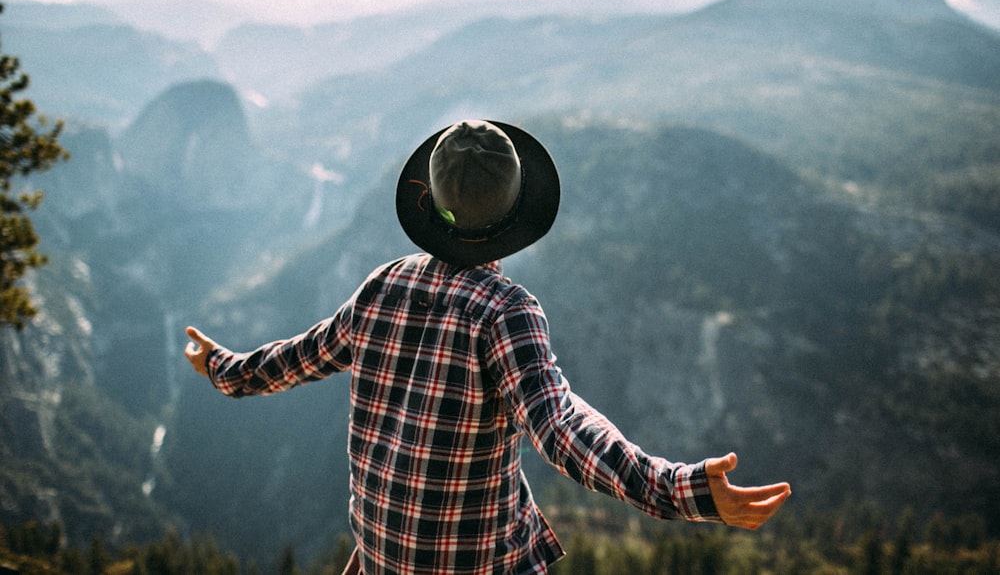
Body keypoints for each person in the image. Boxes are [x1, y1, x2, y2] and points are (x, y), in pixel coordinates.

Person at [184, 119, 791, 574]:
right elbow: (560, 427)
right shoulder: (505, 312)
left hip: (379, 559)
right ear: (512, 216)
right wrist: (676, 488)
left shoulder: (383, 287)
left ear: (430, 200)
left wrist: (219, 366)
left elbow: (294, 360)